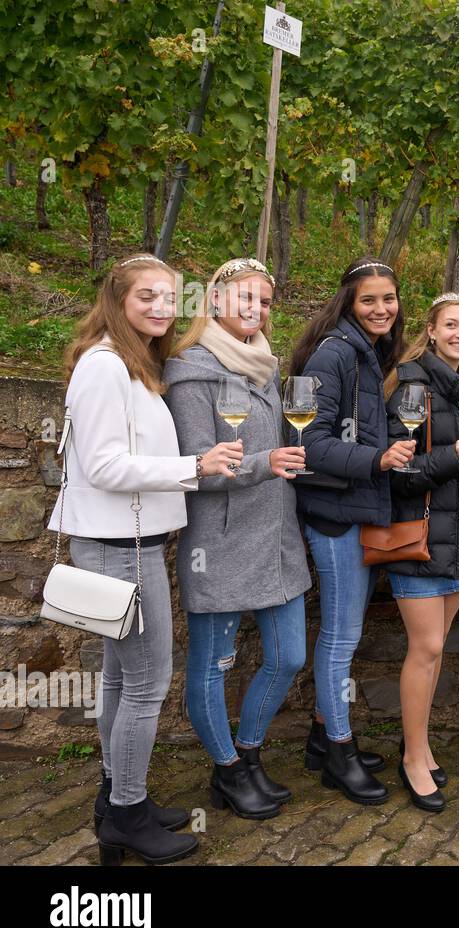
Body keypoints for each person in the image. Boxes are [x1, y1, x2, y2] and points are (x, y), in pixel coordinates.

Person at [54, 253, 241, 865]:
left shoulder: (130, 362)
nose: (162, 307)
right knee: (146, 684)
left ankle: (116, 797)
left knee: (119, 678)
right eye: (147, 297)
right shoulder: (106, 367)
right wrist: (196, 466)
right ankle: (128, 816)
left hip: (126, 544)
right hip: (119, 549)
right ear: (117, 299)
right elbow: (104, 467)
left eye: (170, 297)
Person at [164, 257, 310, 820]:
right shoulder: (192, 372)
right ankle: (225, 771)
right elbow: (198, 465)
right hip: (219, 543)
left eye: (266, 301)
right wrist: (264, 462)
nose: (257, 309)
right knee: (212, 664)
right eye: (245, 298)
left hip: (276, 538)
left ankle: (247, 754)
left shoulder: (266, 369)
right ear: (215, 302)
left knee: (288, 656)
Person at [288, 257, 415, 805]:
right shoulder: (335, 353)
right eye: (369, 300)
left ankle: (322, 737)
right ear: (348, 303)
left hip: (352, 508)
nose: (381, 308)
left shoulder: (368, 352)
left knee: (347, 631)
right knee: (340, 638)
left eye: (389, 299)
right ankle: (338, 752)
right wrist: (377, 460)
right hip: (332, 512)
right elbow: (308, 445)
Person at [379, 291, 459, 811]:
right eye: (453, 325)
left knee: (437, 648)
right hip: (416, 541)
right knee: (427, 649)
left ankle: (416, 744)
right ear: (433, 331)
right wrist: (452, 457)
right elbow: (397, 474)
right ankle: (413, 758)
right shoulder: (414, 386)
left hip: (454, 541)